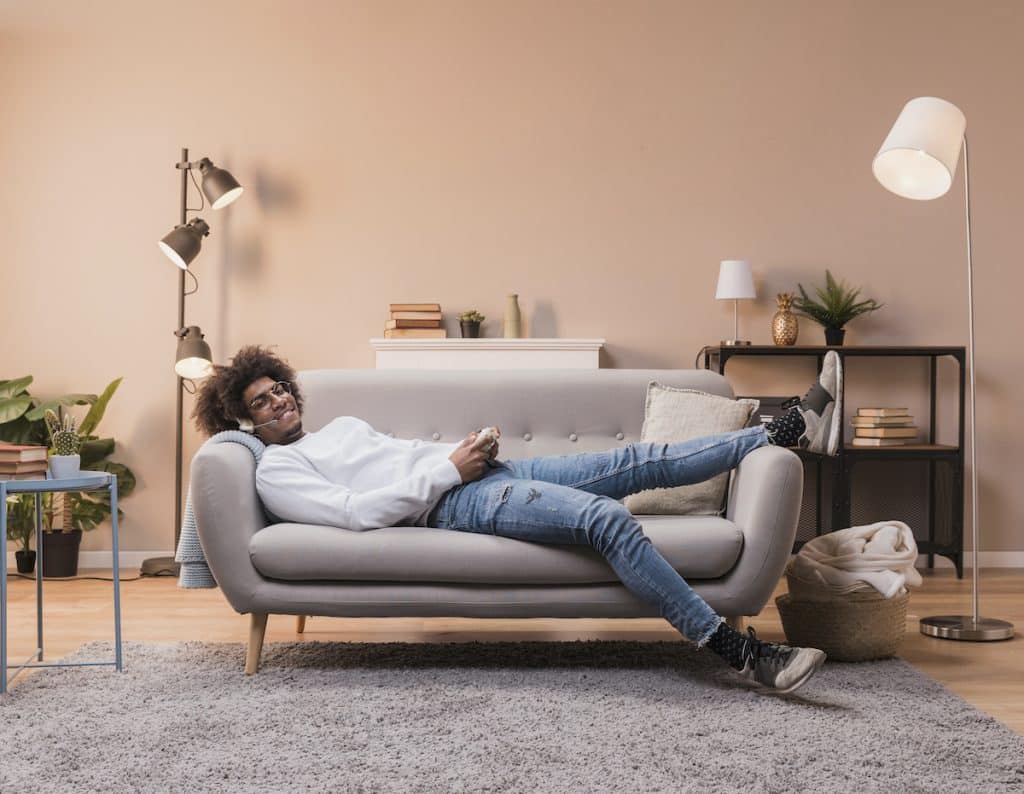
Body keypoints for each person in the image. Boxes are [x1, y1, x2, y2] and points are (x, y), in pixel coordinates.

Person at [193, 345, 841, 694]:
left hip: (484, 474)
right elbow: (359, 513)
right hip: (458, 500)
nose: (277, 400)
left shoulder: (328, 432)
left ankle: (774, 433)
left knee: (636, 461)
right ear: (244, 419)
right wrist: (453, 467)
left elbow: (396, 466)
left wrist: (470, 451)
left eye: (277, 388)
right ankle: (739, 652)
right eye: (261, 402)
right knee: (609, 521)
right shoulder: (277, 470)